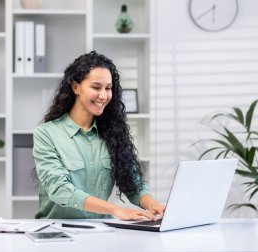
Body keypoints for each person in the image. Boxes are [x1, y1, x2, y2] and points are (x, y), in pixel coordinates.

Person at [33, 51, 165, 220]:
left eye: (108, 88)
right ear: (75, 87)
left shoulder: (113, 133)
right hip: (58, 232)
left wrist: (153, 204)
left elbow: (133, 183)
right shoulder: (46, 133)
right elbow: (59, 189)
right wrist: (115, 209)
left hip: (103, 231)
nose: (103, 95)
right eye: (96, 87)